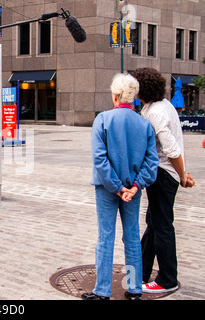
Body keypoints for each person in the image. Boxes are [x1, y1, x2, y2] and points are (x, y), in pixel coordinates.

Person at [81, 74, 159, 300]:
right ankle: (135, 288)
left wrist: (116, 187)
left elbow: (100, 159)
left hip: (107, 187)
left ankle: (102, 290)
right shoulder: (144, 124)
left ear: (115, 96)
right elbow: (151, 162)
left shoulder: (103, 120)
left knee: (106, 236)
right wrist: (134, 187)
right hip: (132, 189)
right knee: (132, 237)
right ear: (133, 97)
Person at [132, 67, 195, 294]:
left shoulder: (154, 112)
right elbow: (178, 142)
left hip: (162, 174)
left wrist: (181, 175)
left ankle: (167, 279)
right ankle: (139, 271)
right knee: (154, 223)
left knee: (162, 226)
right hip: (167, 173)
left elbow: (171, 148)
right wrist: (183, 172)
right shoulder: (163, 105)